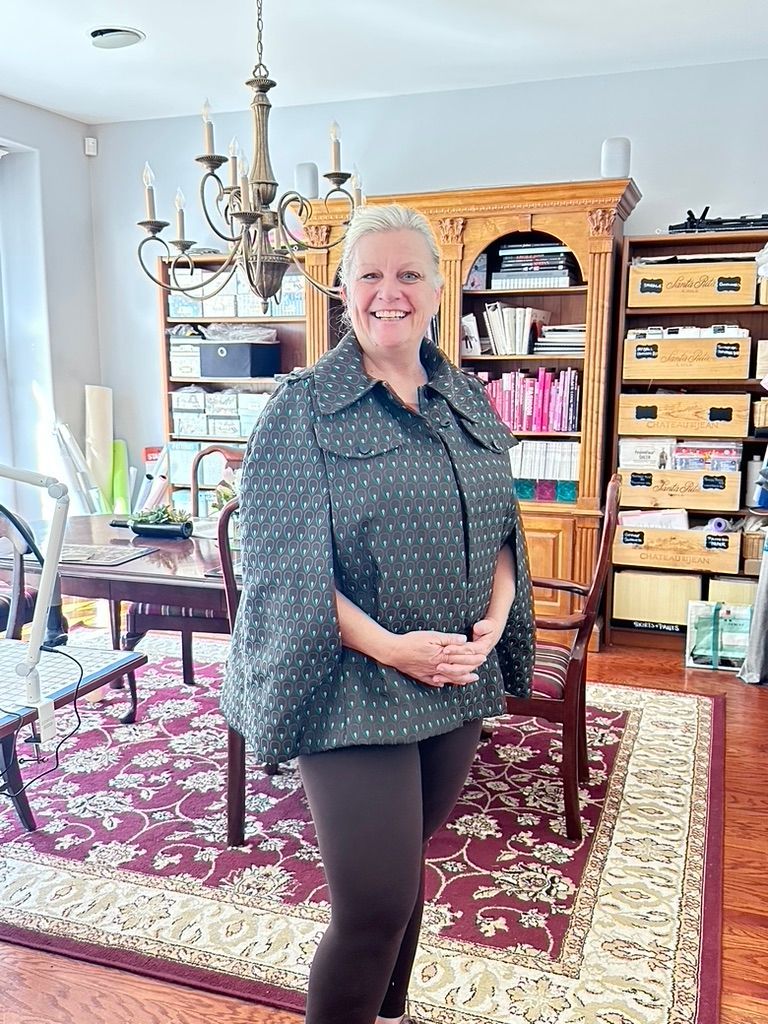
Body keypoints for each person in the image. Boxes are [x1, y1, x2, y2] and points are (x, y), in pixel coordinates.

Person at [221, 204, 535, 1024]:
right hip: (348, 682)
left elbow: (503, 528)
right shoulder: (303, 407)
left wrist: (497, 619)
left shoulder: (466, 397)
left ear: (438, 290)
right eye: (370, 274)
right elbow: (283, 568)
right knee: (371, 906)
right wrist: (395, 650)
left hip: (453, 681)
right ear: (344, 291)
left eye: (407, 275)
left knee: (402, 877)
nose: (387, 292)